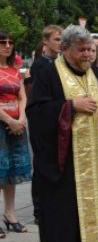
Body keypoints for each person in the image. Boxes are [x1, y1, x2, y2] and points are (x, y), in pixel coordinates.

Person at [27, 25, 98, 242]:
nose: (88, 55)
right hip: (66, 163)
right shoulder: (48, 74)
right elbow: (35, 113)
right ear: (66, 49)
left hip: (97, 160)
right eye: (82, 50)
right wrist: (70, 106)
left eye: (91, 50)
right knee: (66, 213)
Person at [24, 24, 62, 224]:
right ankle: (40, 209)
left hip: (58, 121)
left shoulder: (61, 64)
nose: (60, 43)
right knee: (41, 166)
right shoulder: (40, 66)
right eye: (57, 39)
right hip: (43, 123)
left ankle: (53, 205)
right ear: (45, 41)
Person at [0, 32, 31, 238]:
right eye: (3, 42)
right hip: (2, 124)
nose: (8, 46)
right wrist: (9, 120)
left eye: (11, 42)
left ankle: (10, 216)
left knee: (12, 170)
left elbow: (21, 95)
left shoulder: (14, 70)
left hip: (16, 125)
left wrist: (21, 119)